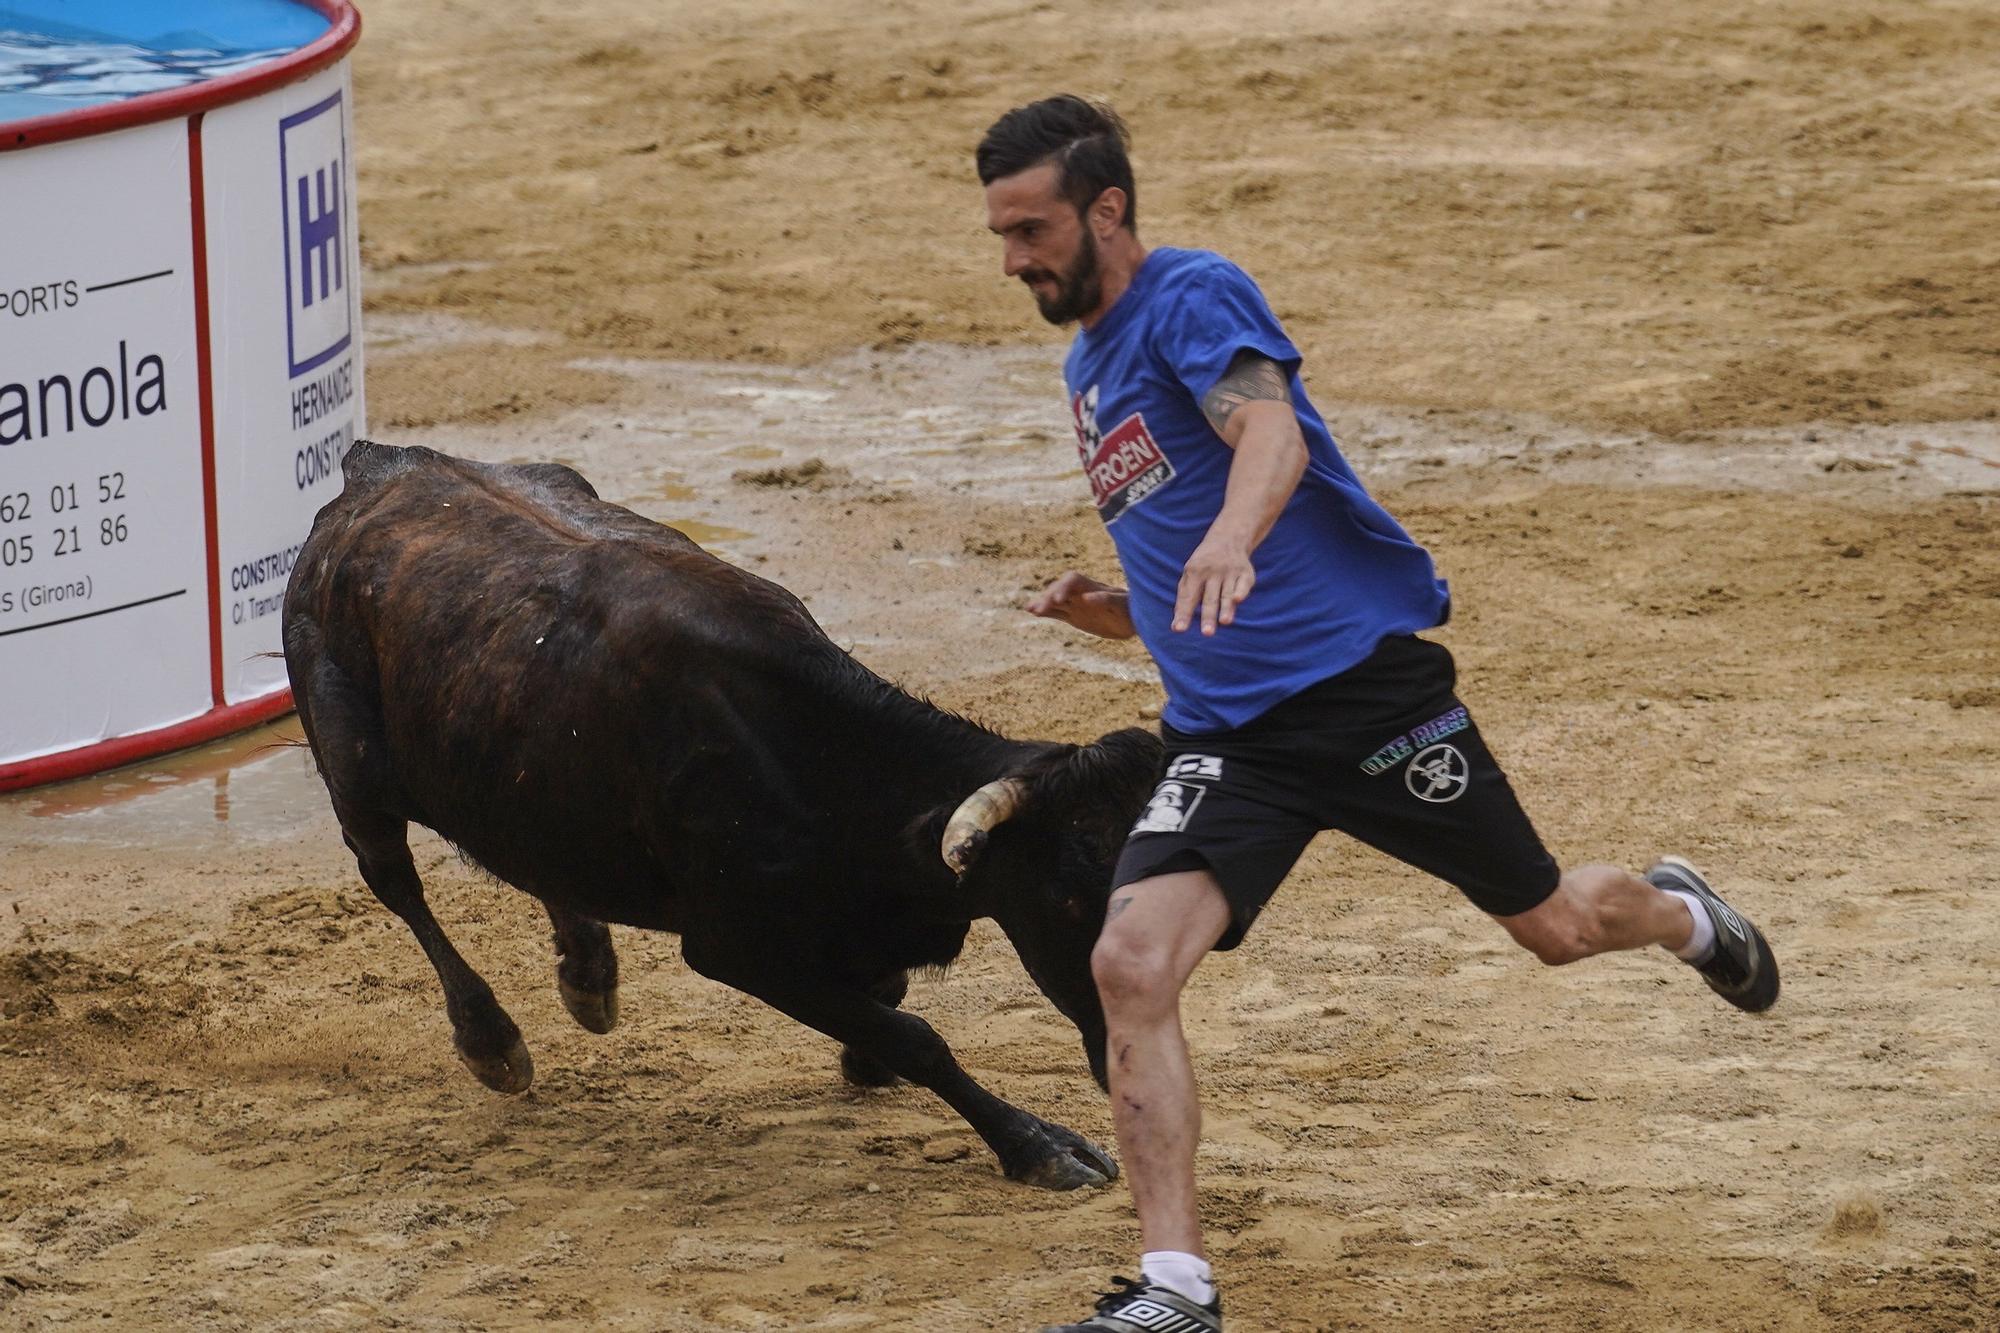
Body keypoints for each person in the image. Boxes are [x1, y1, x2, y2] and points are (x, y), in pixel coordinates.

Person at [974, 95, 1781, 1333]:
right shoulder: (1083, 363)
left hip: (1361, 703)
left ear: (1107, 209)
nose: (1015, 258)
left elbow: (1267, 435)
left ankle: (1679, 913)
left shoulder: (1190, 299)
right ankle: (1175, 1288)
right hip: (1226, 736)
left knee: (1556, 928)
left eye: (1031, 229)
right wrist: (1123, 611)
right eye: (1002, 235)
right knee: (1128, 963)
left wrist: (1233, 538)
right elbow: (1184, 528)